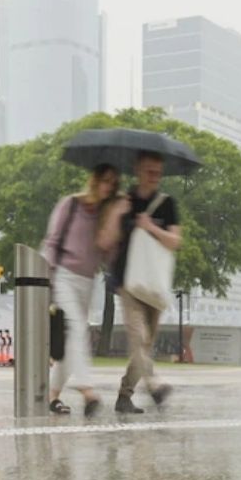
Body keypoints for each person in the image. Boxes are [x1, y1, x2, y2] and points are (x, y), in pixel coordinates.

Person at [99, 151, 182, 414]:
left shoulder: (167, 204)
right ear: (137, 170)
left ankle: (125, 395)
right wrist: (117, 213)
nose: (154, 177)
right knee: (139, 337)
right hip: (128, 282)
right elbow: (106, 240)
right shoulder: (125, 201)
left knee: (144, 346)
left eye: (158, 172)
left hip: (155, 284)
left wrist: (149, 227)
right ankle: (154, 386)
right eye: (149, 171)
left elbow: (174, 242)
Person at [42, 163, 120, 416]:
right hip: (63, 276)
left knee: (68, 343)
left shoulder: (104, 216)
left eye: (114, 183)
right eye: (105, 180)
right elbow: (52, 242)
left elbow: (108, 254)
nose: (109, 186)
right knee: (77, 329)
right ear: (95, 179)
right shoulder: (71, 204)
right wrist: (47, 279)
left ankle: (51, 397)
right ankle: (87, 390)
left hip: (87, 281)